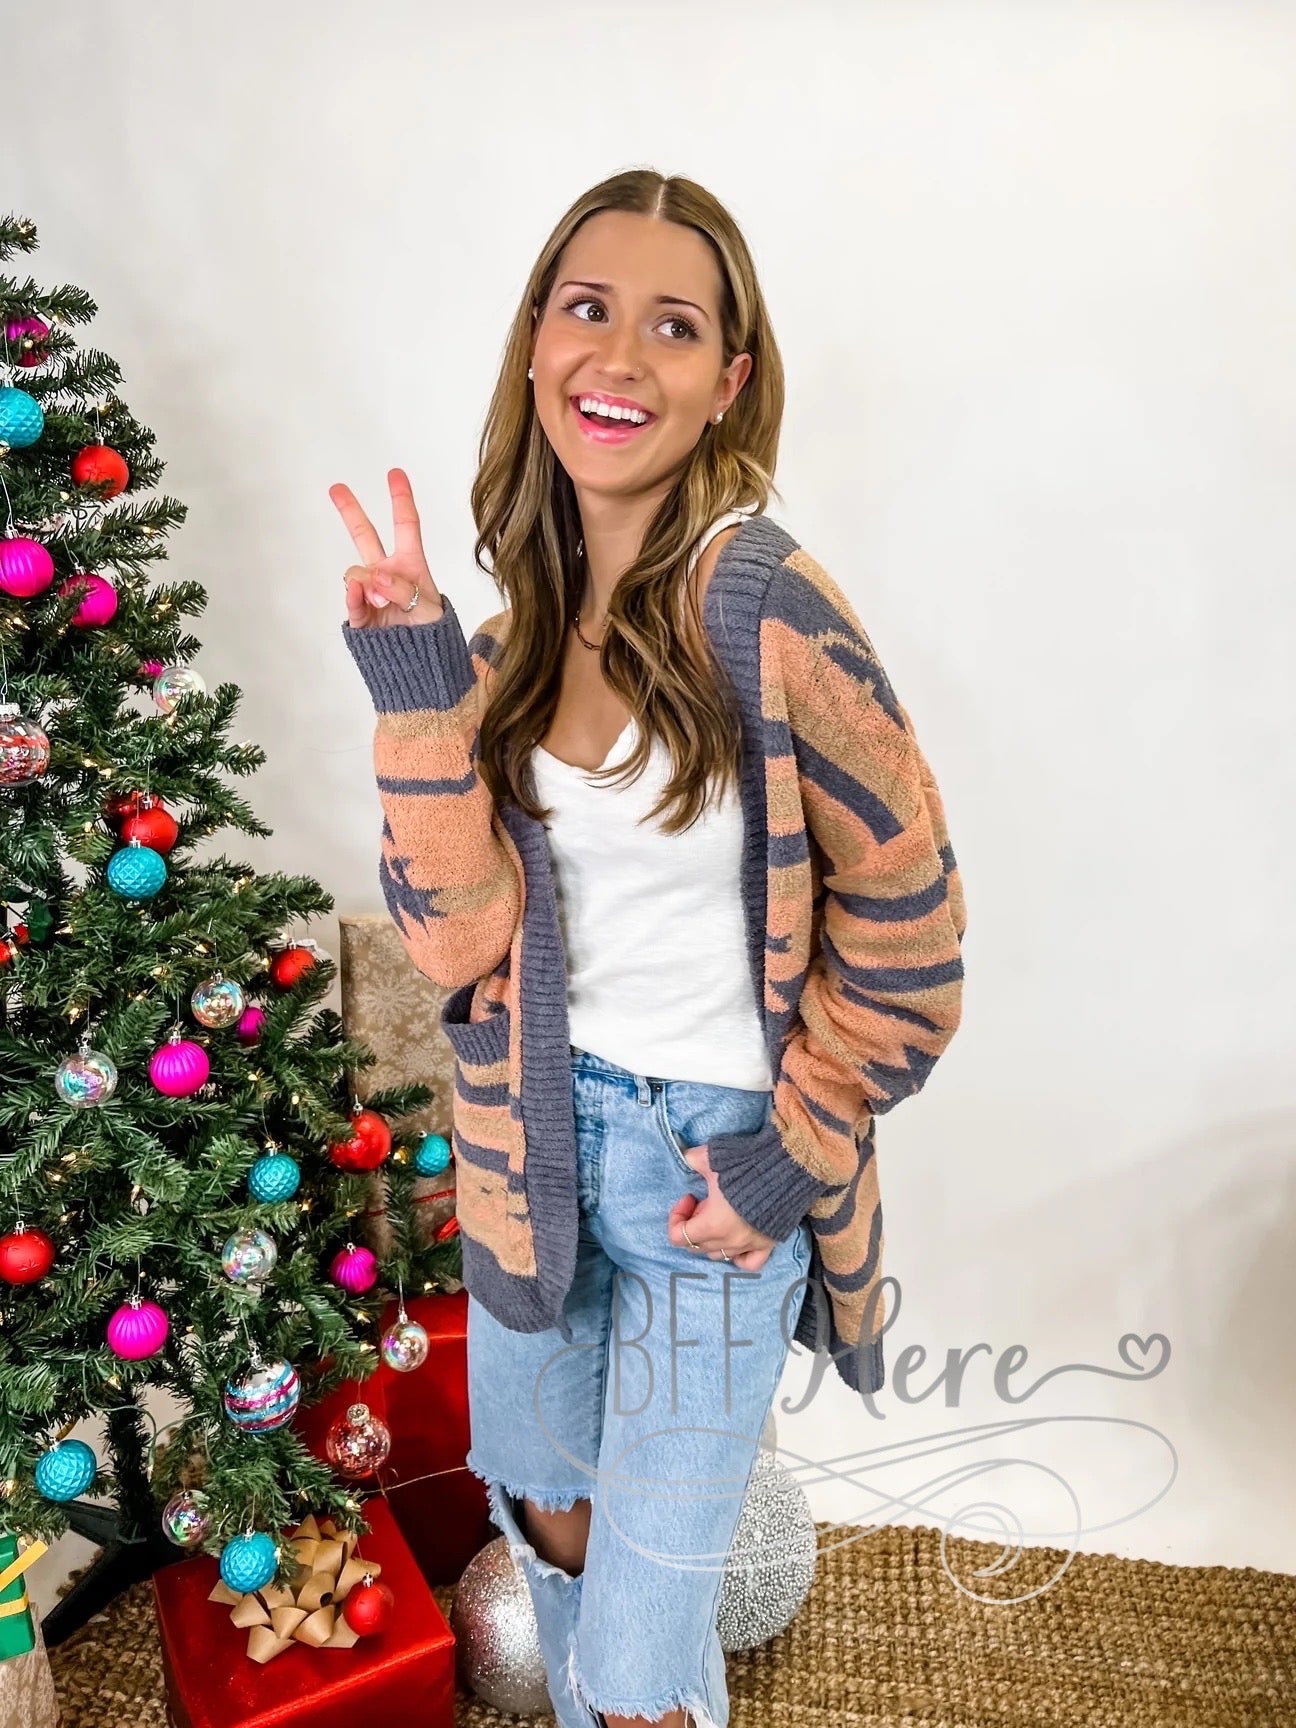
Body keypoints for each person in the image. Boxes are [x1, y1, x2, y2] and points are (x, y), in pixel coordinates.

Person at [334, 169, 967, 1728]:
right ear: (535, 339)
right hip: (531, 1152)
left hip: (714, 1181)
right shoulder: (505, 643)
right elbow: (458, 946)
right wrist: (416, 682)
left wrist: (786, 1159)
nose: (619, 358)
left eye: (673, 327)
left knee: (633, 1670)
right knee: (549, 1519)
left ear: (729, 381)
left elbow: (915, 932)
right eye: (588, 308)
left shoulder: (767, 608)